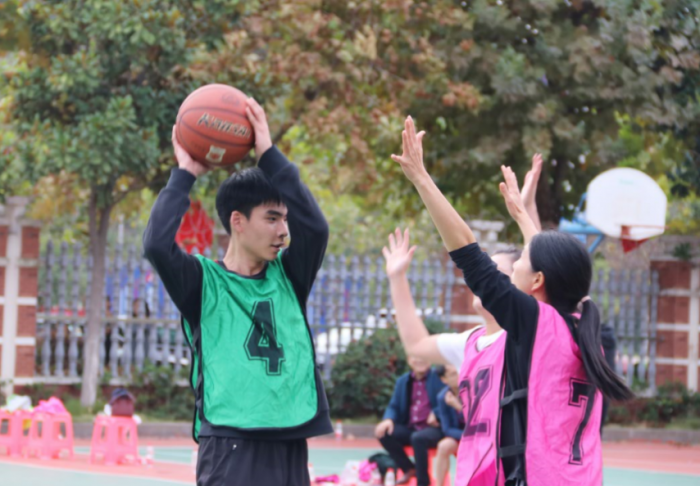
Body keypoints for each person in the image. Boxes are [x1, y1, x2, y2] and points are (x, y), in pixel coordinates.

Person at [384, 116, 633, 486]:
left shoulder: (536, 324)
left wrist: (422, 178)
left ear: (536, 281)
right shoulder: (579, 323)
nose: (512, 267)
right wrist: (522, 214)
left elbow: (469, 254)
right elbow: (552, 269)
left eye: (518, 262)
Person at [143, 98, 332, 486]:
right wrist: (185, 174)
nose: (284, 231)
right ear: (238, 222)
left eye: (285, 219)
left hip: (289, 439)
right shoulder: (202, 283)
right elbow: (157, 245)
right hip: (231, 443)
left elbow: (316, 228)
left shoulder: (290, 276)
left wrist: (268, 154)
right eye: (272, 218)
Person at [375, 356, 445, 486]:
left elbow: (449, 397)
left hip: (434, 429)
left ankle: (423, 483)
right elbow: (394, 405)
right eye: (415, 357)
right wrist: (388, 419)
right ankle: (409, 469)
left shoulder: (440, 378)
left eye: (423, 356)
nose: (420, 360)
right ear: (408, 360)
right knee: (384, 433)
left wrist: (436, 413)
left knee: (418, 438)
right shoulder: (403, 381)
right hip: (411, 428)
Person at [433, 364, 464, 486]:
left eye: (458, 371)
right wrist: (464, 436)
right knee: (443, 446)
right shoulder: (443, 397)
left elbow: (477, 420)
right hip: (461, 435)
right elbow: (446, 428)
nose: (458, 375)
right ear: (444, 379)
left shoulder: (472, 390)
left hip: (477, 434)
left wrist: (458, 407)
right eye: (453, 374)